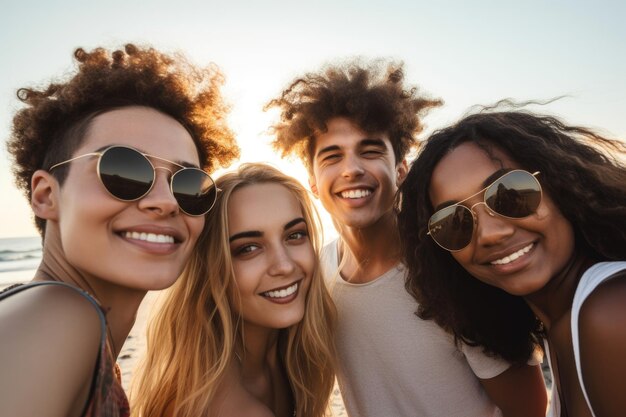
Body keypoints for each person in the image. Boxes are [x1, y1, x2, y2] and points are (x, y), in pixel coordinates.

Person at [266, 61, 548, 416]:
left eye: (370, 151)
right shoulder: (318, 273)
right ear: (312, 181)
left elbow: (532, 409)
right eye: (332, 156)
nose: (351, 169)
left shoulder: (449, 270)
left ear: (401, 170)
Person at [1, 44, 239, 417]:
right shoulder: (60, 319)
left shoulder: (63, 324)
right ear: (46, 195)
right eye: (125, 171)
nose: (166, 202)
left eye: (189, 184)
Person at [397, 107, 626, 417]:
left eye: (511, 193)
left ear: (562, 184)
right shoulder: (565, 327)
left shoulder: (610, 313)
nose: (490, 233)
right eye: (455, 223)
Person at [132, 163, 337, 417]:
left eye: (294, 236)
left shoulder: (289, 361)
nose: (284, 265)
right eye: (249, 248)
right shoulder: (218, 403)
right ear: (211, 270)